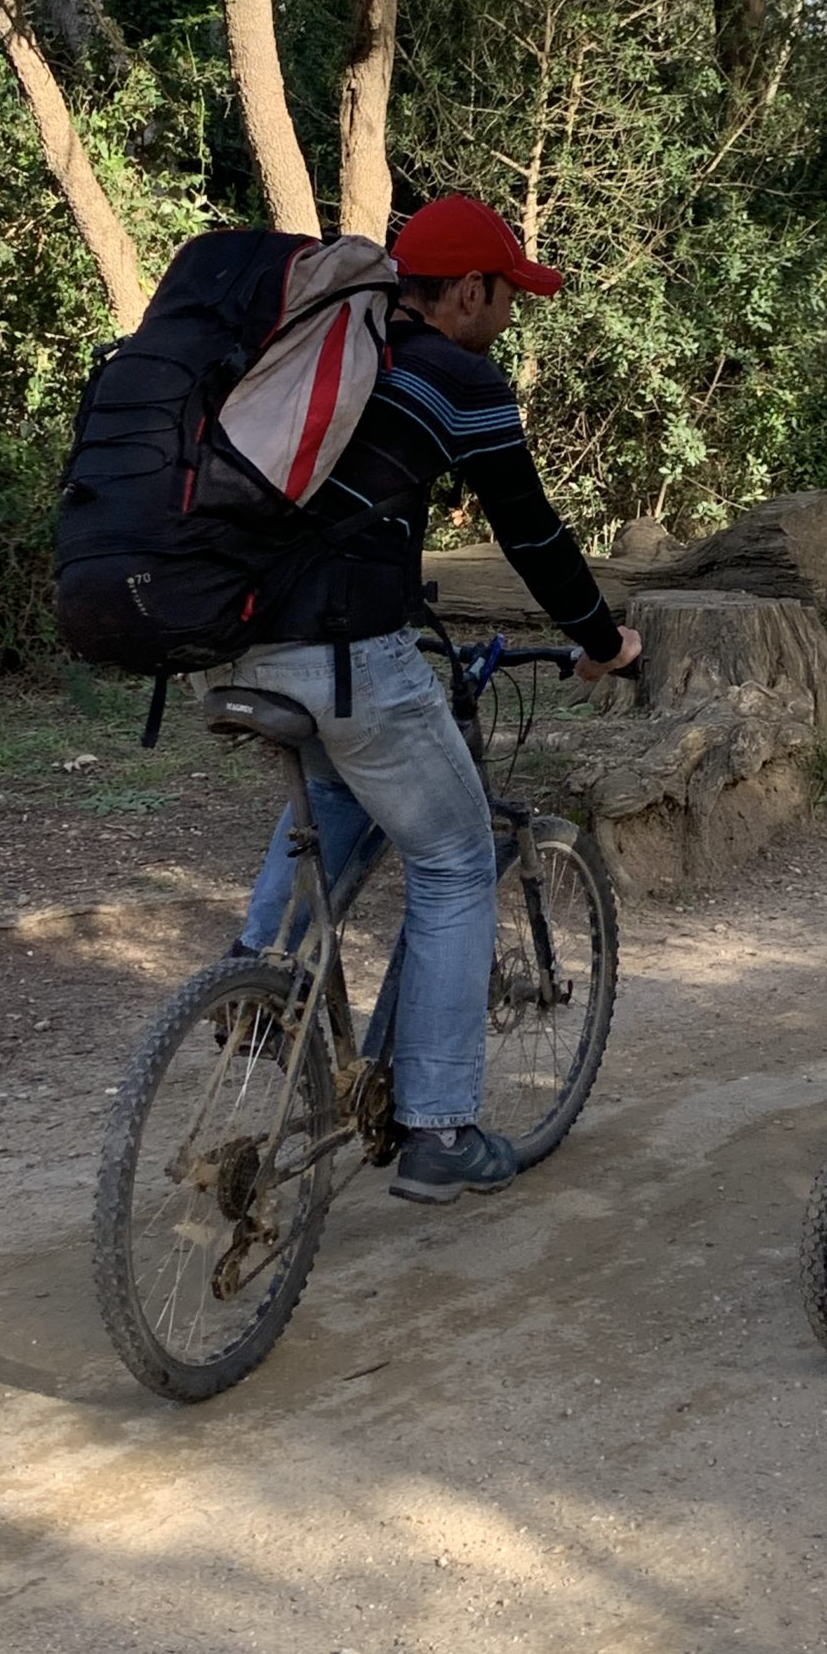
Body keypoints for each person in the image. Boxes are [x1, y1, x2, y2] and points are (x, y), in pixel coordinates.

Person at [222, 195, 640, 1206]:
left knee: (336, 788)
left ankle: (255, 984)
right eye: (508, 296)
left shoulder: (337, 350)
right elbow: (531, 532)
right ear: (468, 291)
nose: (510, 315)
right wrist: (602, 640)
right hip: (348, 653)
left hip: (238, 641)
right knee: (453, 860)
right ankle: (440, 1130)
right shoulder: (458, 376)